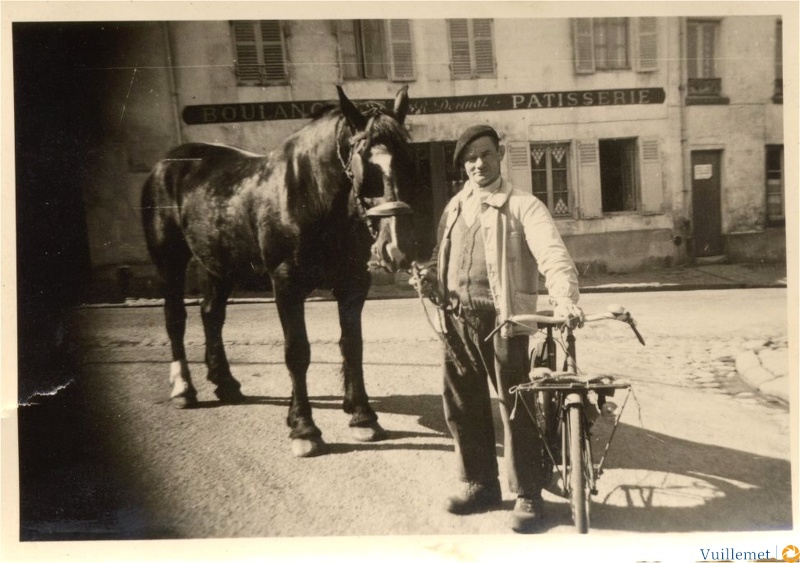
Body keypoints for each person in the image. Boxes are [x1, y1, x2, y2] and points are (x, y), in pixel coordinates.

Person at [410, 124, 583, 533]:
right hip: (456, 320)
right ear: (462, 166)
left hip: (504, 319)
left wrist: (564, 299)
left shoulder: (524, 205)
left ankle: (528, 494)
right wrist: (429, 278)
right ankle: (480, 484)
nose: (478, 164)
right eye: (470, 159)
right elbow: (442, 258)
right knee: (462, 403)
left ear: (500, 155)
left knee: (516, 405)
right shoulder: (454, 207)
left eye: (485, 154)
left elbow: (553, 257)